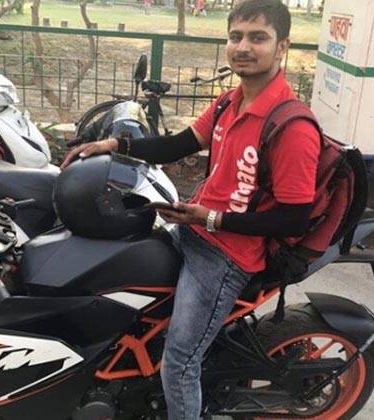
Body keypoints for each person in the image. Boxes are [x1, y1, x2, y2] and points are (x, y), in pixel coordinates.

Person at [61, 1, 320, 418]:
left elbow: (295, 217)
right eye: (236, 37)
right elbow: (178, 144)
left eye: (258, 38)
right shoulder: (228, 102)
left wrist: (210, 218)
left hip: (226, 256)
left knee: (180, 361)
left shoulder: (292, 127)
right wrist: (115, 144)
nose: (243, 47)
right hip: (192, 229)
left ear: (282, 47)